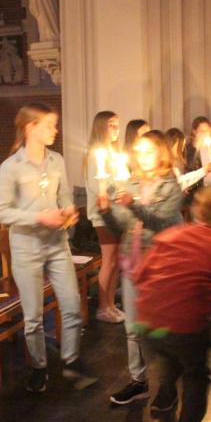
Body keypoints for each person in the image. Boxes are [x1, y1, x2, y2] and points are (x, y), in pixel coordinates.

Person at [0, 103, 98, 393]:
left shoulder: (57, 160)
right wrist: (38, 217)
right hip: (27, 247)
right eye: (50, 124)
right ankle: (39, 366)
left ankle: (71, 361)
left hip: (56, 244)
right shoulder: (11, 167)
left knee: (72, 305)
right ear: (31, 128)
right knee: (33, 316)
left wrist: (68, 211)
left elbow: (63, 196)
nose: (55, 130)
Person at [134, 186, 211, 422]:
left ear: (195, 210)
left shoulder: (170, 234)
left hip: (148, 322)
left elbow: (138, 275)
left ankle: (165, 391)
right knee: (196, 377)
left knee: (168, 352)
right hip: (184, 324)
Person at [98, 130, 183, 405]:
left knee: (160, 328)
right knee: (133, 327)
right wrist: (106, 211)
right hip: (133, 262)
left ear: (161, 153)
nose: (142, 156)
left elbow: (162, 222)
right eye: (139, 151)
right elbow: (120, 228)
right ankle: (139, 381)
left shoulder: (170, 185)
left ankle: (168, 384)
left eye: (149, 151)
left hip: (160, 264)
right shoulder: (129, 183)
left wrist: (132, 205)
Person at [84, 111, 124, 324]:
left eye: (117, 125)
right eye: (111, 125)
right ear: (101, 127)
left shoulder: (114, 153)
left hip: (116, 213)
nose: (116, 129)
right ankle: (102, 306)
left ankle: (110, 304)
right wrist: (115, 187)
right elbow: (94, 185)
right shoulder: (95, 154)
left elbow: (122, 179)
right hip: (102, 215)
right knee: (108, 261)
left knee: (116, 260)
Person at [167, 126, 211, 192]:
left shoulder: (172, 163)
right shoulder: (165, 165)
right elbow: (179, 183)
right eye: (180, 145)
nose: (182, 149)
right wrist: (202, 171)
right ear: (172, 143)